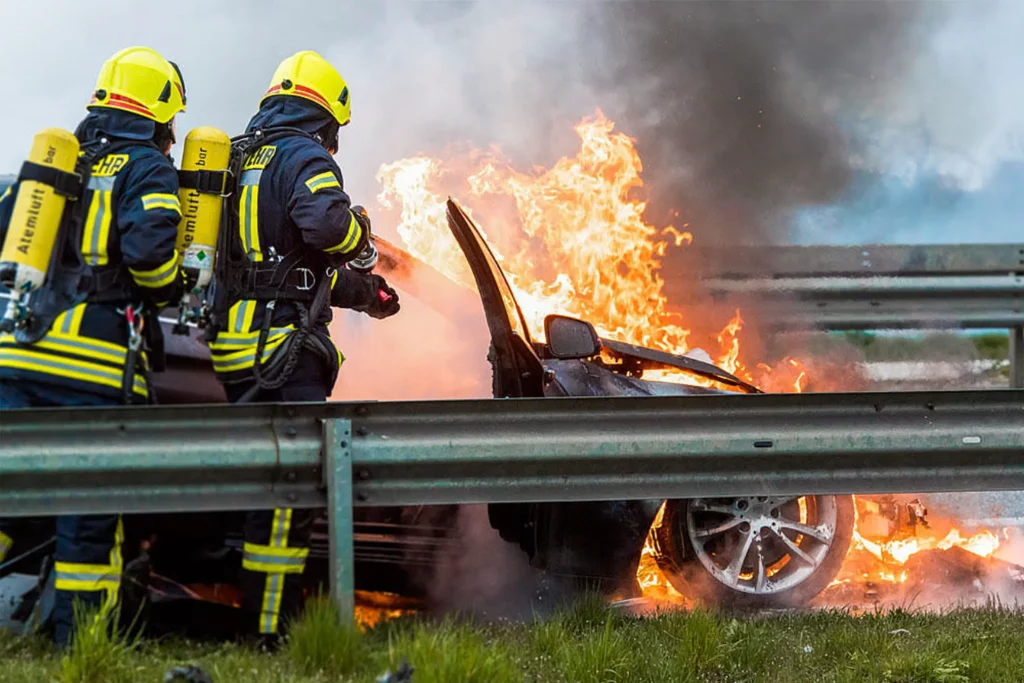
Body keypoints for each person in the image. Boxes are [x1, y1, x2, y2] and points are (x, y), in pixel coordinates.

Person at [208, 50, 400, 645]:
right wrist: (362, 242)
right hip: (283, 350)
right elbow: (324, 227)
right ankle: (270, 634)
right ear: (326, 118)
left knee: (269, 485)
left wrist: (367, 294)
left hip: (238, 344)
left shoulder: (241, 156)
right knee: (292, 493)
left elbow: (291, 271)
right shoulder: (306, 154)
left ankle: (257, 618)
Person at [0, 46, 186, 648]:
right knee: (88, 514)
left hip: (16, 355)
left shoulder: (56, 165)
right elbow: (151, 257)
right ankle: (78, 647)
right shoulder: (147, 168)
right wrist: (172, 287)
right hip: (92, 369)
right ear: (160, 109)